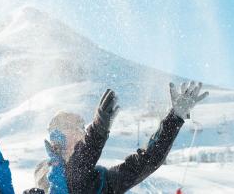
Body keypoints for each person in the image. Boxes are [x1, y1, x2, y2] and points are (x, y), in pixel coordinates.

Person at [34, 82, 208, 193]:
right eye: (67, 133)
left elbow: (146, 161)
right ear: (56, 139)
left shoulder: (100, 182)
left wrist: (174, 118)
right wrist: (97, 130)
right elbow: (77, 169)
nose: (75, 140)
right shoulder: (47, 173)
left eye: (78, 134)